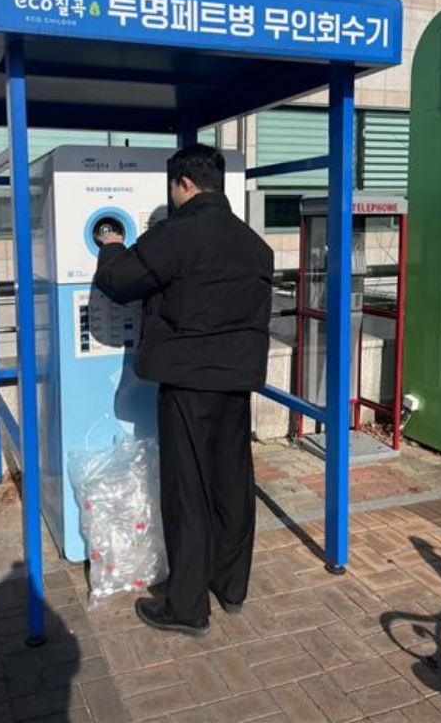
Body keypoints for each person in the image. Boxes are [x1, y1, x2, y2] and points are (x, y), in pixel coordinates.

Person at [93, 144, 274, 636]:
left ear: (184, 184)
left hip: (189, 383)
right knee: (232, 484)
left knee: (187, 489)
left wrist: (110, 242)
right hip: (236, 382)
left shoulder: (176, 234)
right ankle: (231, 587)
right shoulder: (253, 244)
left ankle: (188, 607)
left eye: (173, 187)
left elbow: (118, 280)